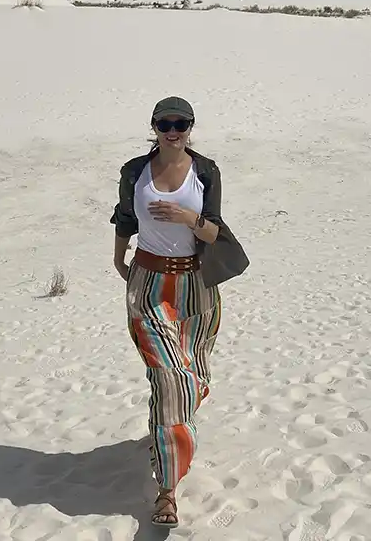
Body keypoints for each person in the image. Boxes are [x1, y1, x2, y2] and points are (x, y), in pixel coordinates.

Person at [110, 96, 249, 527]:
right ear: (153, 126)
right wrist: (120, 257)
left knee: (192, 379)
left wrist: (187, 216)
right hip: (148, 285)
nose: (173, 131)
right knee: (171, 375)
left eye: (181, 124)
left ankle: (163, 432)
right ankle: (167, 491)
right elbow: (125, 218)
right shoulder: (135, 170)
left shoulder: (206, 170)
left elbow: (214, 229)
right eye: (165, 123)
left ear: (191, 127)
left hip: (195, 287)